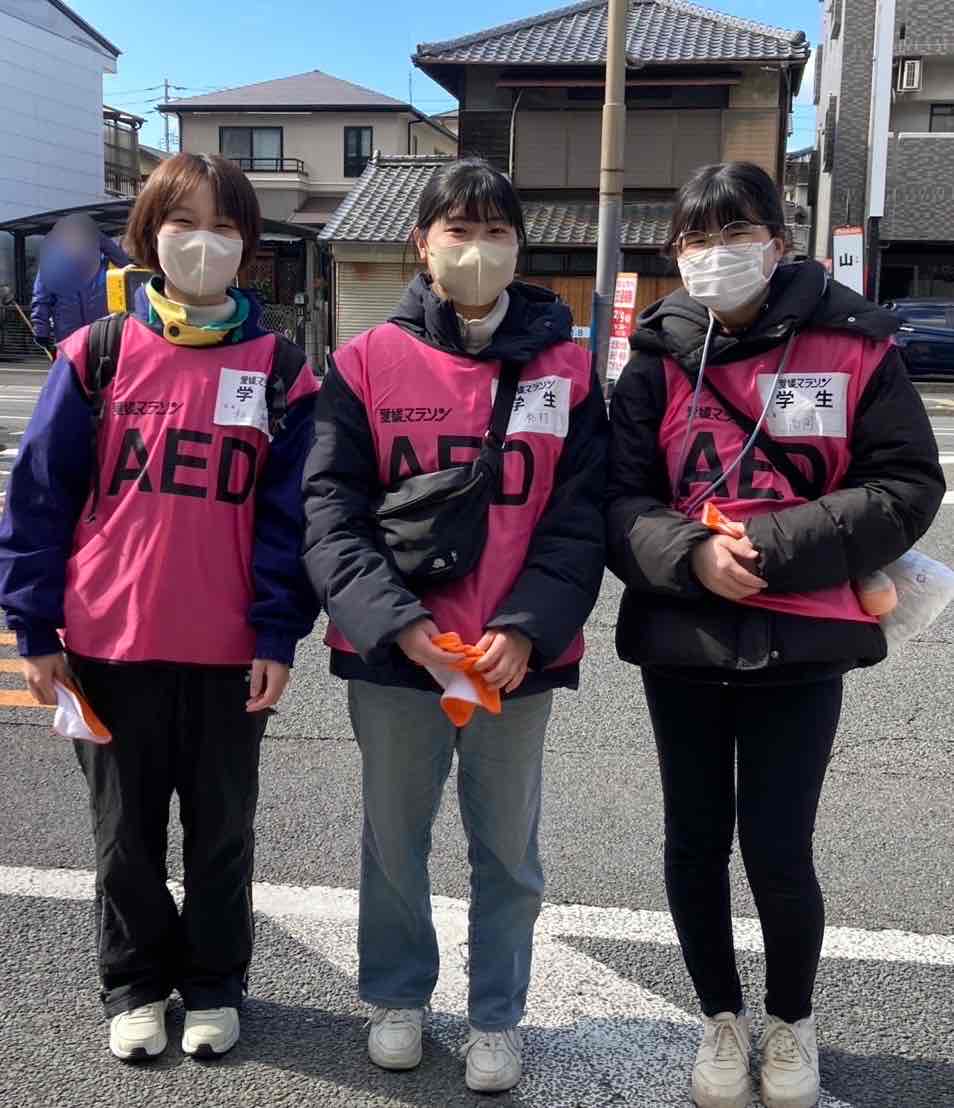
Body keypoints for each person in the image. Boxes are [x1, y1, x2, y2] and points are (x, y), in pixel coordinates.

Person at [606, 161, 944, 1108]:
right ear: (677, 254)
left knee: (779, 848)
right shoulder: (657, 356)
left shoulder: (854, 344)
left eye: (736, 233)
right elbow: (618, 498)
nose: (716, 254)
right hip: (683, 638)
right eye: (696, 239)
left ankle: (792, 1020)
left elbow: (907, 484)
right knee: (693, 842)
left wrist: (772, 545)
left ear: (779, 243)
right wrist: (690, 555)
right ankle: (719, 1016)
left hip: (804, 641)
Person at [0, 153, 318, 1062]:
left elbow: (292, 520)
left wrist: (277, 631)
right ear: (149, 234)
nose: (203, 242)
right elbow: (39, 499)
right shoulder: (96, 353)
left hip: (230, 651)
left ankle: (214, 981)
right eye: (184, 222)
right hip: (109, 642)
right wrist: (34, 627)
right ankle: (135, 984)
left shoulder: (281, 369)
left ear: (248, 244)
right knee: (124, 837)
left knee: (222, 834)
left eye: (224, 226)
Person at [302, 158, 607, 1094]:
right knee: (395, 841)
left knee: (508, 850)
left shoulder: (568, 369)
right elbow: (330, 510)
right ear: (421, 245)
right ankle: (397, 997)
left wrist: (526, 628)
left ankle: (496, 1016)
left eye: (496, 232)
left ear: (521, 247)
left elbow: (580, 517)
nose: (478, 249)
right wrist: (398, 626)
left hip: (514, 659)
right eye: (459, 231)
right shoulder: (364, 362)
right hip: (401, 656)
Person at [31, 213, 130, 349]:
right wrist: (41, 330)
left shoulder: (103, 262)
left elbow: (125, 264)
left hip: (99, 335)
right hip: (68, 336)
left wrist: (101, 240)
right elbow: (41, 298)